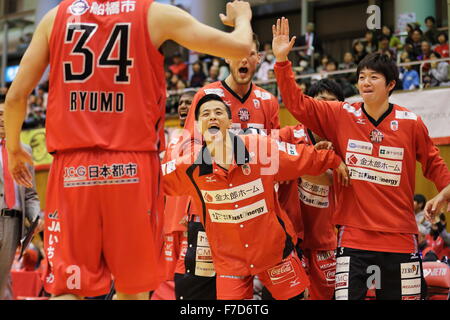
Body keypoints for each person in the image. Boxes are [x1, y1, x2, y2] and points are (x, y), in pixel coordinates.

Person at [4, 0, 254, 300]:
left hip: (73, 169)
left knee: (68, 288)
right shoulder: (154, 14)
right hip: (132, 167)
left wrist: (16, 147)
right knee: (133, 289)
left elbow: (16, 96)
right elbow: (240, 47)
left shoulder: (55, 17)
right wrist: (243, 17)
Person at [272, 17, 450, 300]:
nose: (365, 82)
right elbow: (297, 104)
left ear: (391, 84)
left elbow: (434, 164)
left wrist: (445, 191)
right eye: (362, 77)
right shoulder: (342, 114)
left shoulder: (411, 122)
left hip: (401, 240)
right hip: (354, 240)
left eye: (373, 77)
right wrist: (282, 61)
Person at [161, 93, 349, 300]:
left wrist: (331, 159)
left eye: (218, 112)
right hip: (229, 260)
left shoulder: (260, 148)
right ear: (197, 124)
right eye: (205, 114)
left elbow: (301, 157)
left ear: (230, 121)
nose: (212, 117)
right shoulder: (189, 167)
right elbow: (157, 180)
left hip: (273, 253)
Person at [278, 79, 345, 300]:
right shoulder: (288, 135)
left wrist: (303, 163)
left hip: (324, 239)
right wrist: (312, 160)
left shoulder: (345, 143)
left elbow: (331, 180)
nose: (324, 109)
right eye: (320, 102)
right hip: (289, 237)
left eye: (332, 103)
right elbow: (273, 165)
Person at [184, 33, 280, 137]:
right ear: (227, 57)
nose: (244, 60)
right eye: (238, 53)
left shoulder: (269, 101)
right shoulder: (204, 96)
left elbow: (275, 146)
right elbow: (189, 145)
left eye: (250, 54)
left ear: (258, 58)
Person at [0, 95, 41, 300]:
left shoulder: (25, 151)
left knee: (3, 277)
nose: (1, 119)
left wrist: (36, 217)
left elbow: (31, 193)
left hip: (13, 222)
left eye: (4, 114)